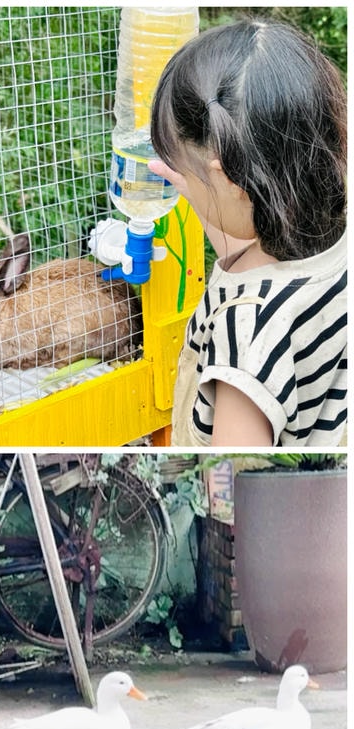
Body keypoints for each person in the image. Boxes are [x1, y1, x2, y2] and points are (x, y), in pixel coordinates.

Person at [148, 19, 346, 446]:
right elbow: (253, 256)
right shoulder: (331, 228)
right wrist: (199, 192)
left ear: (230, 181)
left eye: (186, 168)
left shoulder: (246, 335)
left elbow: (235, 469)